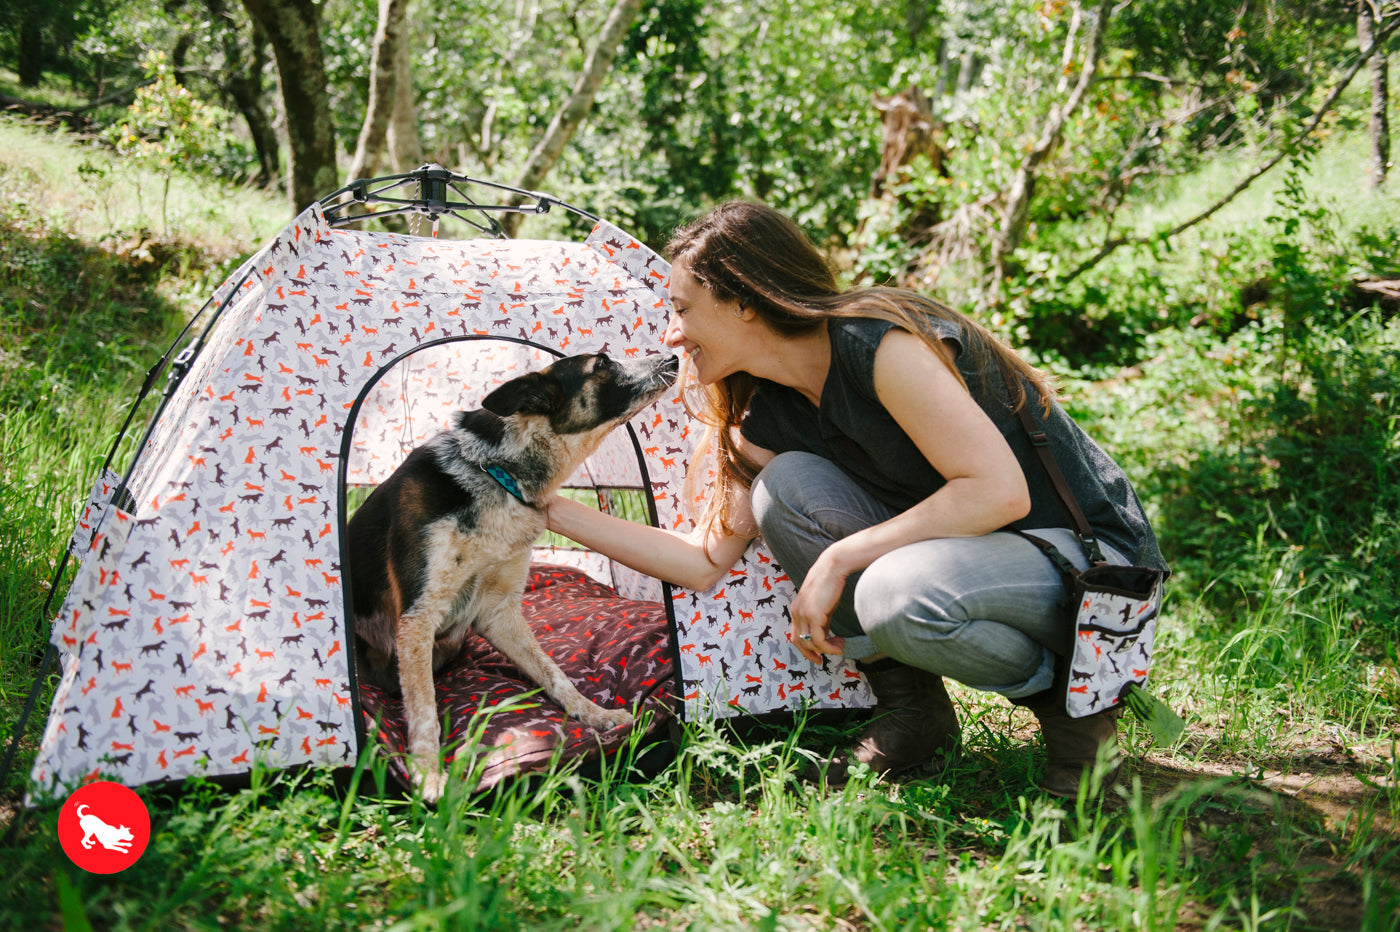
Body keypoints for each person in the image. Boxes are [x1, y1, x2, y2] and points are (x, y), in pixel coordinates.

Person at [543, 201, 1169, 796]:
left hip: (1088, 562)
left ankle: (1076, 717)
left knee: (895, 595)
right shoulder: (768, 412)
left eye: (683, 311)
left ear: (743, 302)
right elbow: (701, 560)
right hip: (978, 555)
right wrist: (546, 506)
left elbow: (997, 493)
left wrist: (840, 561)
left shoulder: (879, 344)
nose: (674, 335)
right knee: (784, 490)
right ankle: (914, 715)